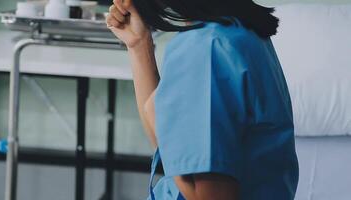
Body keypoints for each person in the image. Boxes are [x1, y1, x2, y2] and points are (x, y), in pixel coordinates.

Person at [106, 0, 299, 199]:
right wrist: (139, 44)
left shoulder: (204, 50)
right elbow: (184, 154)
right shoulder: (234, 29)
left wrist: (159, 122)